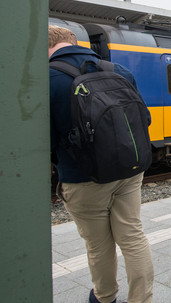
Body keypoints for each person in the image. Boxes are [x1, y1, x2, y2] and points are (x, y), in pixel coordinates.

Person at [49, 25, 153, 303]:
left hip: (82, 177)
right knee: (132, 236)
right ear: (73, 42)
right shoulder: (119, 71)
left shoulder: (47, 78)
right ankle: (141, 299)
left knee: (98, 245)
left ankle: (105, 297)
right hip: (129, 171)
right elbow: (145, 120)